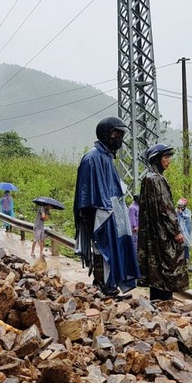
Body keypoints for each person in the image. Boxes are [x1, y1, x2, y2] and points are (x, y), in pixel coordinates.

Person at [74, 116, 139, 296]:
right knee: (103, 252)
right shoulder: (92, 158)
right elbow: (85, 194)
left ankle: (110, 286)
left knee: (114, 251)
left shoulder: (106, 157)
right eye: (118, 134)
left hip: (112, 217)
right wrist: (92, 219)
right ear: (110, 134)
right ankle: (103, 287)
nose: (120, 139)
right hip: (100, 218)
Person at [138, 144, 188, 301]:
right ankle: (166, 303)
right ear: (157, 160)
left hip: (151, 235)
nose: (168, 161)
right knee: (169, 268)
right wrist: (176, 231)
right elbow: (166, 209)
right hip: (163, 234)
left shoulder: (146, 178)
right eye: (165, 158)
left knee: (155, 271)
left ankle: (155, 303)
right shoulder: (158, 180)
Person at [176, 197, 192, 262]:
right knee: (179, 245)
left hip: (186, 231)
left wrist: (181, 213)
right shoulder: (176, 211)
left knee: (186, 245)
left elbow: (187, 217)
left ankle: (186, 259)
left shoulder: (188, 211)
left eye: (181, 206)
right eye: (179, 206)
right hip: (179, 232)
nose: (180, 208)